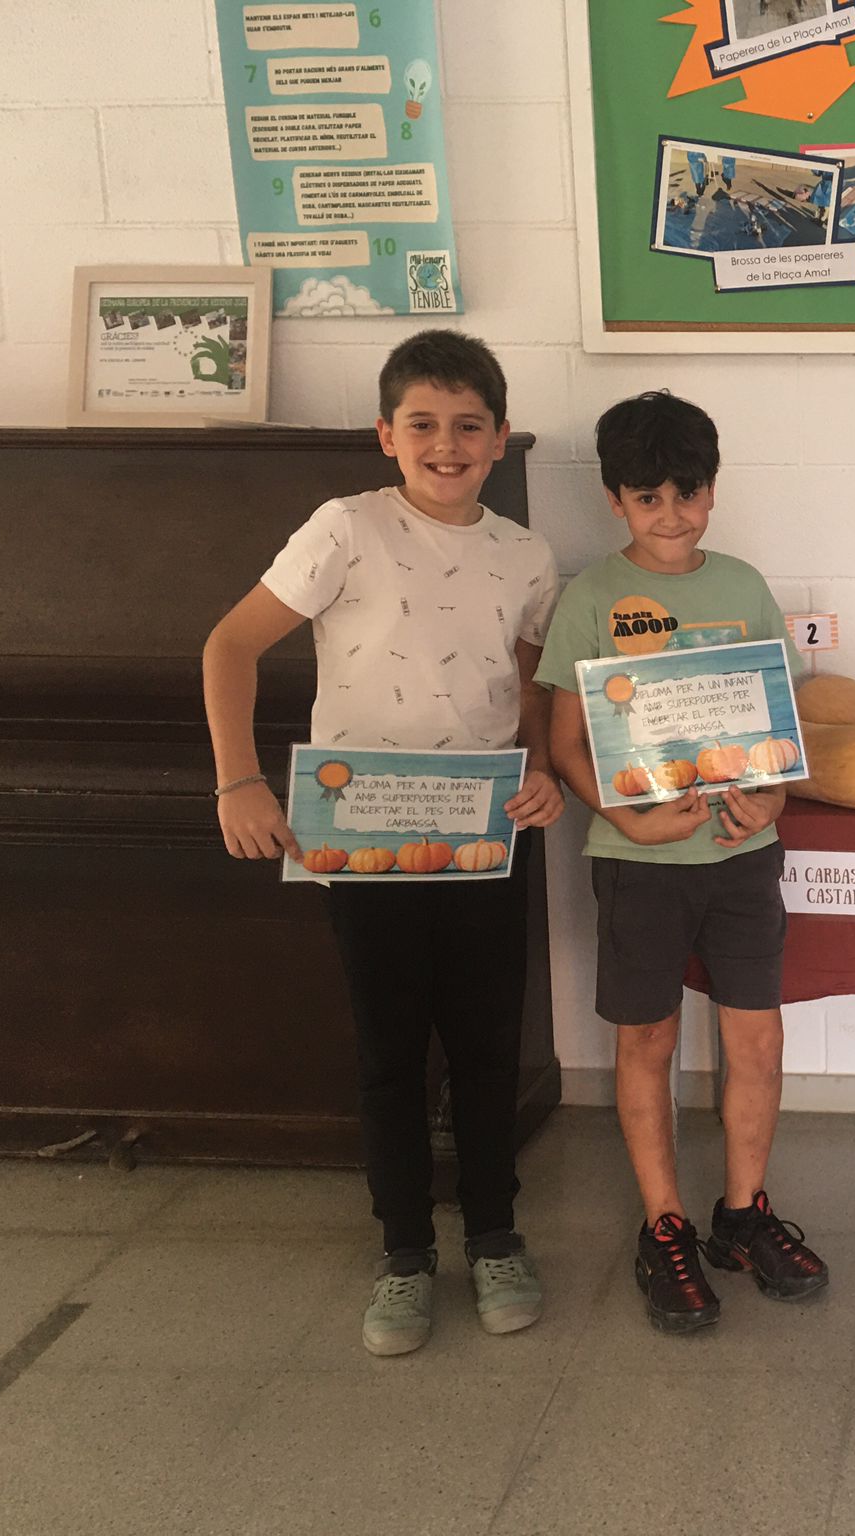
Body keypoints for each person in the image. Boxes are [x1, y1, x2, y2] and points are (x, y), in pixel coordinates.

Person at [202, 329, 563, 1356]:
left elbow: (530, 682)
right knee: (389, 1052)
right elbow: (230, 644)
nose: (446, 445)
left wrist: (541, 769)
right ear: (386, 435)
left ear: (498, 437)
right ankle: (404, 1251)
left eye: (468, 426)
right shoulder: (345, 527)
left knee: (488, 1048)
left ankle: (493, 1236)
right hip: (362, 838)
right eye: (423, 424)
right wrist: (238, 777)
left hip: (485, 835)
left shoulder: (526, 554)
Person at [537, 390, 828, 1334]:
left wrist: (774, 798)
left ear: (712, 489)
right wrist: (631, 821)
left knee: (757, 1039)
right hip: (639, 862)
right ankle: (663, 1225)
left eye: (688, 493)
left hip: (744, 854)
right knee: (647, 1040)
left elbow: (779, 722)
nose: (671, 515)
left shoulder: (742, 587)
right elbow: (567, 745)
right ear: (615, 500)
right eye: (648, 497)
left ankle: (744, 1214)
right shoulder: (590, 597)